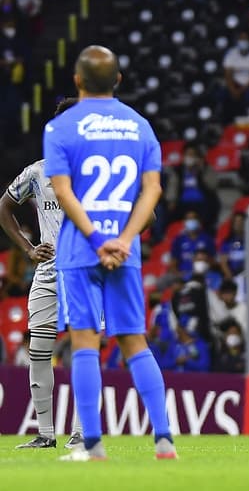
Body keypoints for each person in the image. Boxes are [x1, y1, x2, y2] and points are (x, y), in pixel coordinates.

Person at [43, 46, 176, 461]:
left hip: (80, 250)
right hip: (127, 250)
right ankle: (165, 439)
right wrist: (123, 238)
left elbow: (62, 191)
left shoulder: (60, 128)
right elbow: (153, 190)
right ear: (117, 80)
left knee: (85, 341)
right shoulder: (140, 126)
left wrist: (97, 238)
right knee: (135, 341)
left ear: (77, 80)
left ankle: (93, 446)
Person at [0, 98, 85, 449]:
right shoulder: (38, 171)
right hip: (47, 271)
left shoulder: (95, 171)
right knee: (39, 349)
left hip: (83, 271)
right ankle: (46, 434)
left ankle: (83, 431)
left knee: (84, 349)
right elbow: (4, 206)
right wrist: (28, 249)